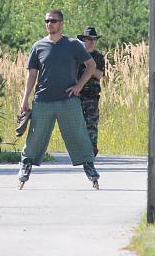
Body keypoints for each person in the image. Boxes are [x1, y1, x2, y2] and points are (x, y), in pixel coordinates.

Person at [17, 10, 100, 190]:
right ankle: (25, 168)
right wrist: (25, 99)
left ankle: (91, 170)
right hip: (42, 100)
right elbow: (31, 75)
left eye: (53, 21)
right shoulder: (38, 46)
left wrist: (79, 86)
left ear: (61, 23)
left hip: (68, 100)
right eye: (47, 21)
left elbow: (91, 66)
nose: (50, 24)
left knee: (79, 135)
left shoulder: (73, 45)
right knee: (34, 137)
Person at [76, 26, 107, 157]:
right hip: (77, 95)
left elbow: (100, 75)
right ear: (83, 39)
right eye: (89, 39)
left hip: (92, 96)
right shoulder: (76, 55)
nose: (92, 42)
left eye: (94, 39)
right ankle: (78, 150)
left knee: (91, 124)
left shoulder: (98, 57)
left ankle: (91, 150)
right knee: (77, 123)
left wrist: (90, 66)